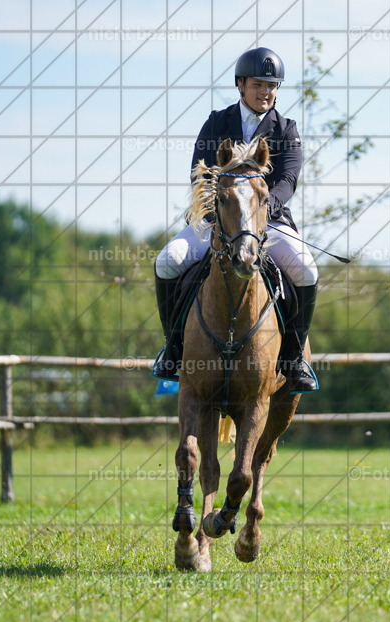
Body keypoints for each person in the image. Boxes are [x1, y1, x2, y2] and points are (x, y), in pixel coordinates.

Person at [152, 47, 319, 393]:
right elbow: (200, 176)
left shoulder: (287, 130)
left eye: (272, 86)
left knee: (306, 270)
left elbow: (287, 181)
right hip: (217, 221)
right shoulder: (216, 123)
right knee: (167, 261)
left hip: (269, 222)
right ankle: (173, 350)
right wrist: (221, 216)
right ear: (240, 85)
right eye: (259, 84)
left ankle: (293, 358)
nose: (266, 92)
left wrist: (261, 209)